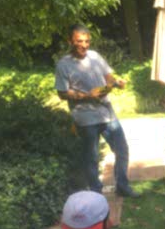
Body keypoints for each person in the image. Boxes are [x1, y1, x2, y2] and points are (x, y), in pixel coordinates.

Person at [55, 24, 139, 198]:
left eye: (87, 41)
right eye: (79, 41)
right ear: (70, 41)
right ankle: (95, 192)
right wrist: (87, 96)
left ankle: (122, 186)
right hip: (85, 118)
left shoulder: (95, 56)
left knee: (122, 150)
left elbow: (109, 78)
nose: (84, 45)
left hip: (107, 114)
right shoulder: (63, 64)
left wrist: (116, 83)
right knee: (91, 158)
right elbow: (62, 93)